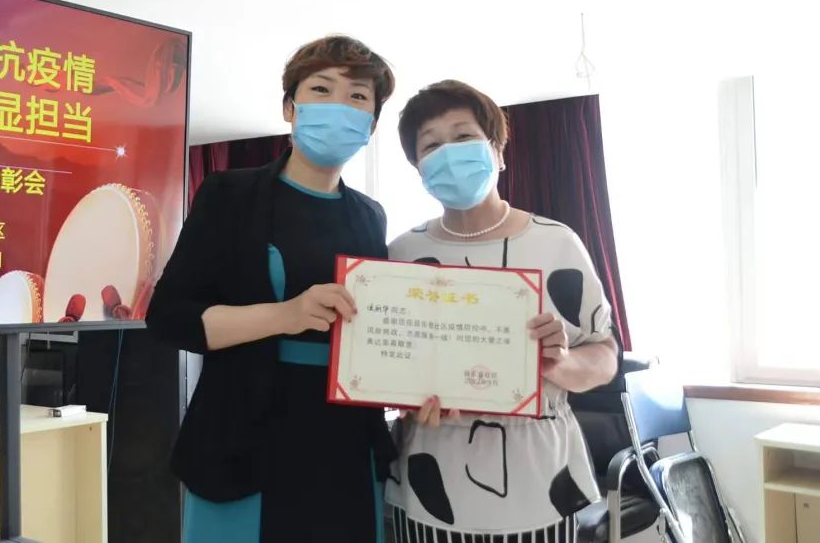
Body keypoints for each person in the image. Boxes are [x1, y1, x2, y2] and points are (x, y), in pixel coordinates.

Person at [146, 35, 398, 543]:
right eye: (321, 89)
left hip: (346, 440)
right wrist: (286, 315)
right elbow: (169, 317)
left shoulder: (370, 215)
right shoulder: (229, 194)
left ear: (370, 124)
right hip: (243, 429)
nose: (339, 106)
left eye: (357, 97)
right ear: (290, 107)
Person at [386, 80, 620, 542]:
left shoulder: (555, 243)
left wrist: (562, 363)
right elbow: (388, 359)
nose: (449, 153)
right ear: (418, 168)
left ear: (498, 151)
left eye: (464, 136)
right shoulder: (401, 254)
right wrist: (402, 395)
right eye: (431, 145)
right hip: (431, 480)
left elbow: (605, 353)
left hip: (541, 483)